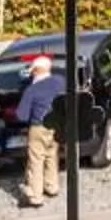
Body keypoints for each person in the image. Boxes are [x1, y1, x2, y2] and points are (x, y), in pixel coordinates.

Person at [16, 53, 66, 207]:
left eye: (32, 69)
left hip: (39, 126)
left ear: (36, 70)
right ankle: (52, 186)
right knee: (52, 155)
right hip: (56, 124)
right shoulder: (60, 81)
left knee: (36, 160)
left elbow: (22, 115)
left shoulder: (32, 89)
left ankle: (36, 196)